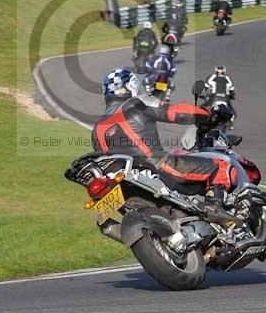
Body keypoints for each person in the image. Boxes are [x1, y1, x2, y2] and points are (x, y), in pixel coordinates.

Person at [91, 68, 246, 220]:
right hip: (157, 166)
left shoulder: (97, 129)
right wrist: (208, 113)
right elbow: (176, 112)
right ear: (131, 85)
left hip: (124, 184)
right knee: (221, 166)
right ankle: (215, 207)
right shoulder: (134, 104)